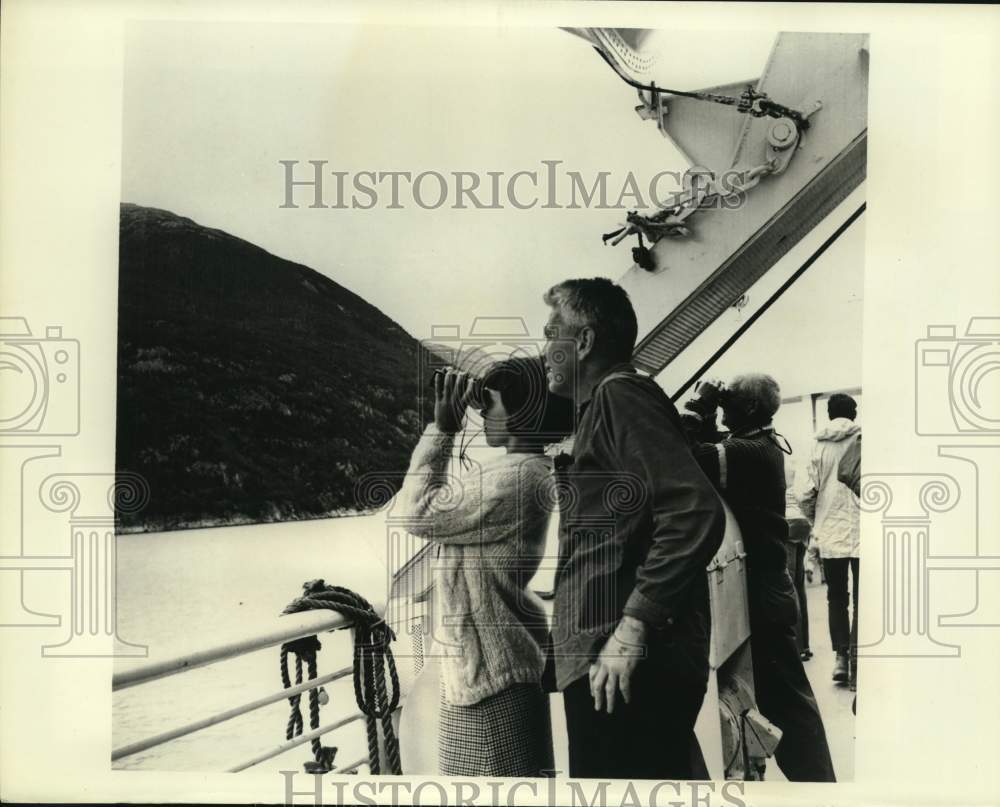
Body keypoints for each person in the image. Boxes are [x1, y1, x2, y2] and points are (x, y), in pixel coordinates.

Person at [540, 277, 726, 780]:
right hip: (610, 660)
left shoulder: (620, 396)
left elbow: (694, 511)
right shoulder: (607, 404)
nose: (544, 351)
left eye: (549, 333)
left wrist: (632, 627)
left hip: (621, 665)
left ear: (582, 342)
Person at [398, 356, 574, 777]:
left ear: (521, 413)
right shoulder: (523, 471)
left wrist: (442, 428)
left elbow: (418, 513)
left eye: (491, 404)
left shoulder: (516, 477)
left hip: (493, 677)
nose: (482, 414)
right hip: (486, 669)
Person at [682, 375, 836, 782]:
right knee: (787, 701)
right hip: (768, 591)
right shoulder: (760, 445)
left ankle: (821, 787)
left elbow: (688, 455)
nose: (724, 403)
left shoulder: (748, 451)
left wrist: (699, 406)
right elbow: (712, 448)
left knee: (790, 706)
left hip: (764, 598)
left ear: (748, 410)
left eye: (729, 398)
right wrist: (712, 410)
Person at [800, 393, 861, 690]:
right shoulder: (864, 440)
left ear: (828, 414)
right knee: (864, 599)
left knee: (837, 597)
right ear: (854, 413)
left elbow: (805, 494)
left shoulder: (816, 445)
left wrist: (817, 521)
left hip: (831, 534)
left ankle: (840, 659)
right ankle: (859, 667)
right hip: (865, 532)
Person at [785, 460, 813, 661]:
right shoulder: (797, 471)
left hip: (787, 524)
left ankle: (796, 646)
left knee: (790, 586)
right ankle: (805, 645)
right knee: (799, 586)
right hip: (803, 524)